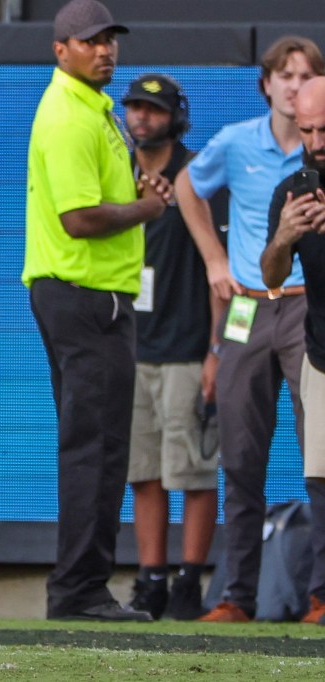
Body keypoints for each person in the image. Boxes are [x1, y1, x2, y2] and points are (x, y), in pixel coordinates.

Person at [21, 0, 172, 622]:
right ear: (61, 50)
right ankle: (78, 590)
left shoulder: (95, 108)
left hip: (91, 297)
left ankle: (83, 586)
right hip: (84, 297)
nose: (105, 49)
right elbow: (79, 220)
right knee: (95, 447)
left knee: (103, 446)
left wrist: (137, 194)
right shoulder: (69, 116)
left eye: (109, 39)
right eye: (90, 41)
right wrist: (148, 209)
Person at [175, 36, 325, 623]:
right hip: (248, 303)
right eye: (283, 75)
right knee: (238, 451)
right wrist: (214, 259)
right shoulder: (238, 141)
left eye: (304, 74)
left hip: (308, 302)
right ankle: (236, 594)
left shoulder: (315, 150)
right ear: (266, 85)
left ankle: (320, 592)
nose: (293, 85)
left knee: (319, 455)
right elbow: (189, 186)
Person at [120, 74, 222, 621]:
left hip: (186, 345)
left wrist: (215, 348)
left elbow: (218, 269)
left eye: (153, 109)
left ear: (174, 116)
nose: (142, 117)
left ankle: (190, 581)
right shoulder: (119, 172)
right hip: (133, 345)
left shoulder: (198, 174)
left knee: (195, 470)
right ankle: (150, 578)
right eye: (135, 107)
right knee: (144, 471)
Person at [260, 75, 325, 626]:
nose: (316, 140)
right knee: (322, 479)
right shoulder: (293, 188)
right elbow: (273, 278)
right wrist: (283, 236)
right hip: (321, 352)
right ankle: (322, 595)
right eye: (306, 130)